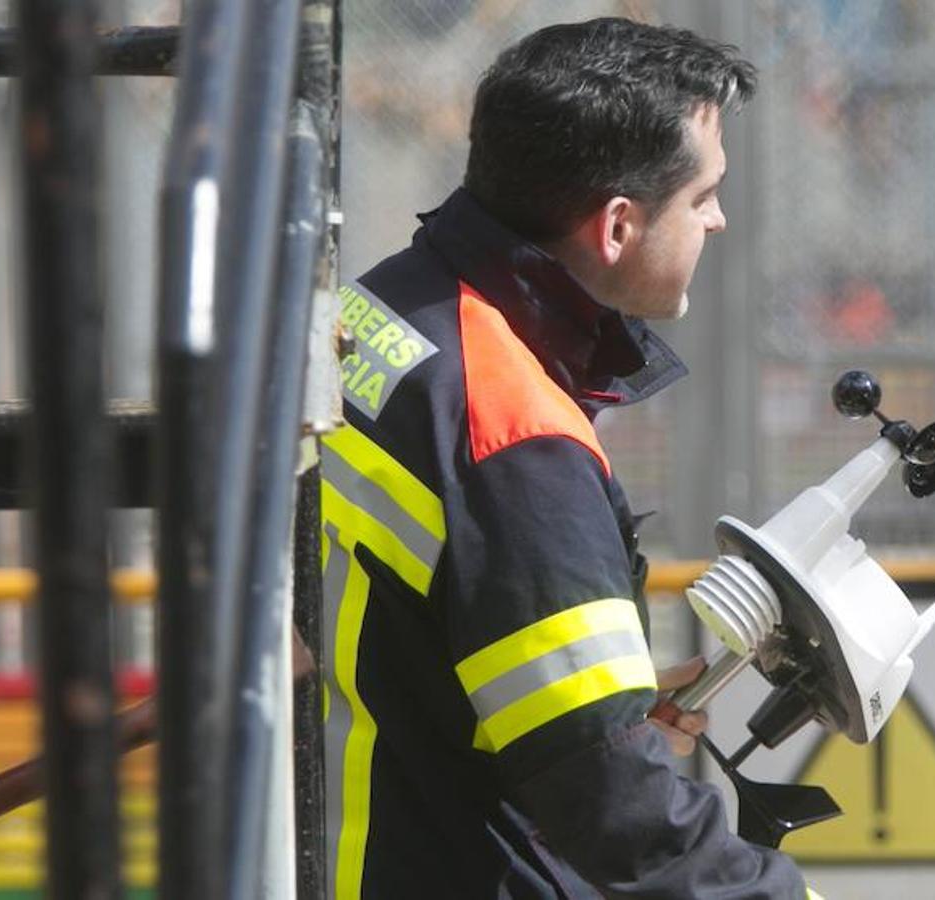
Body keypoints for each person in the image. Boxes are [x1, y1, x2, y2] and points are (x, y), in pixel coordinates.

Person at [321, 17, 810, 898]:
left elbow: (401, 625)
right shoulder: (516, 435)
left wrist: (589, 709)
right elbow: (620, 815)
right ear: (618, 224)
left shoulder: (380, 308)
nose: (719, 219)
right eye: (703, 197)